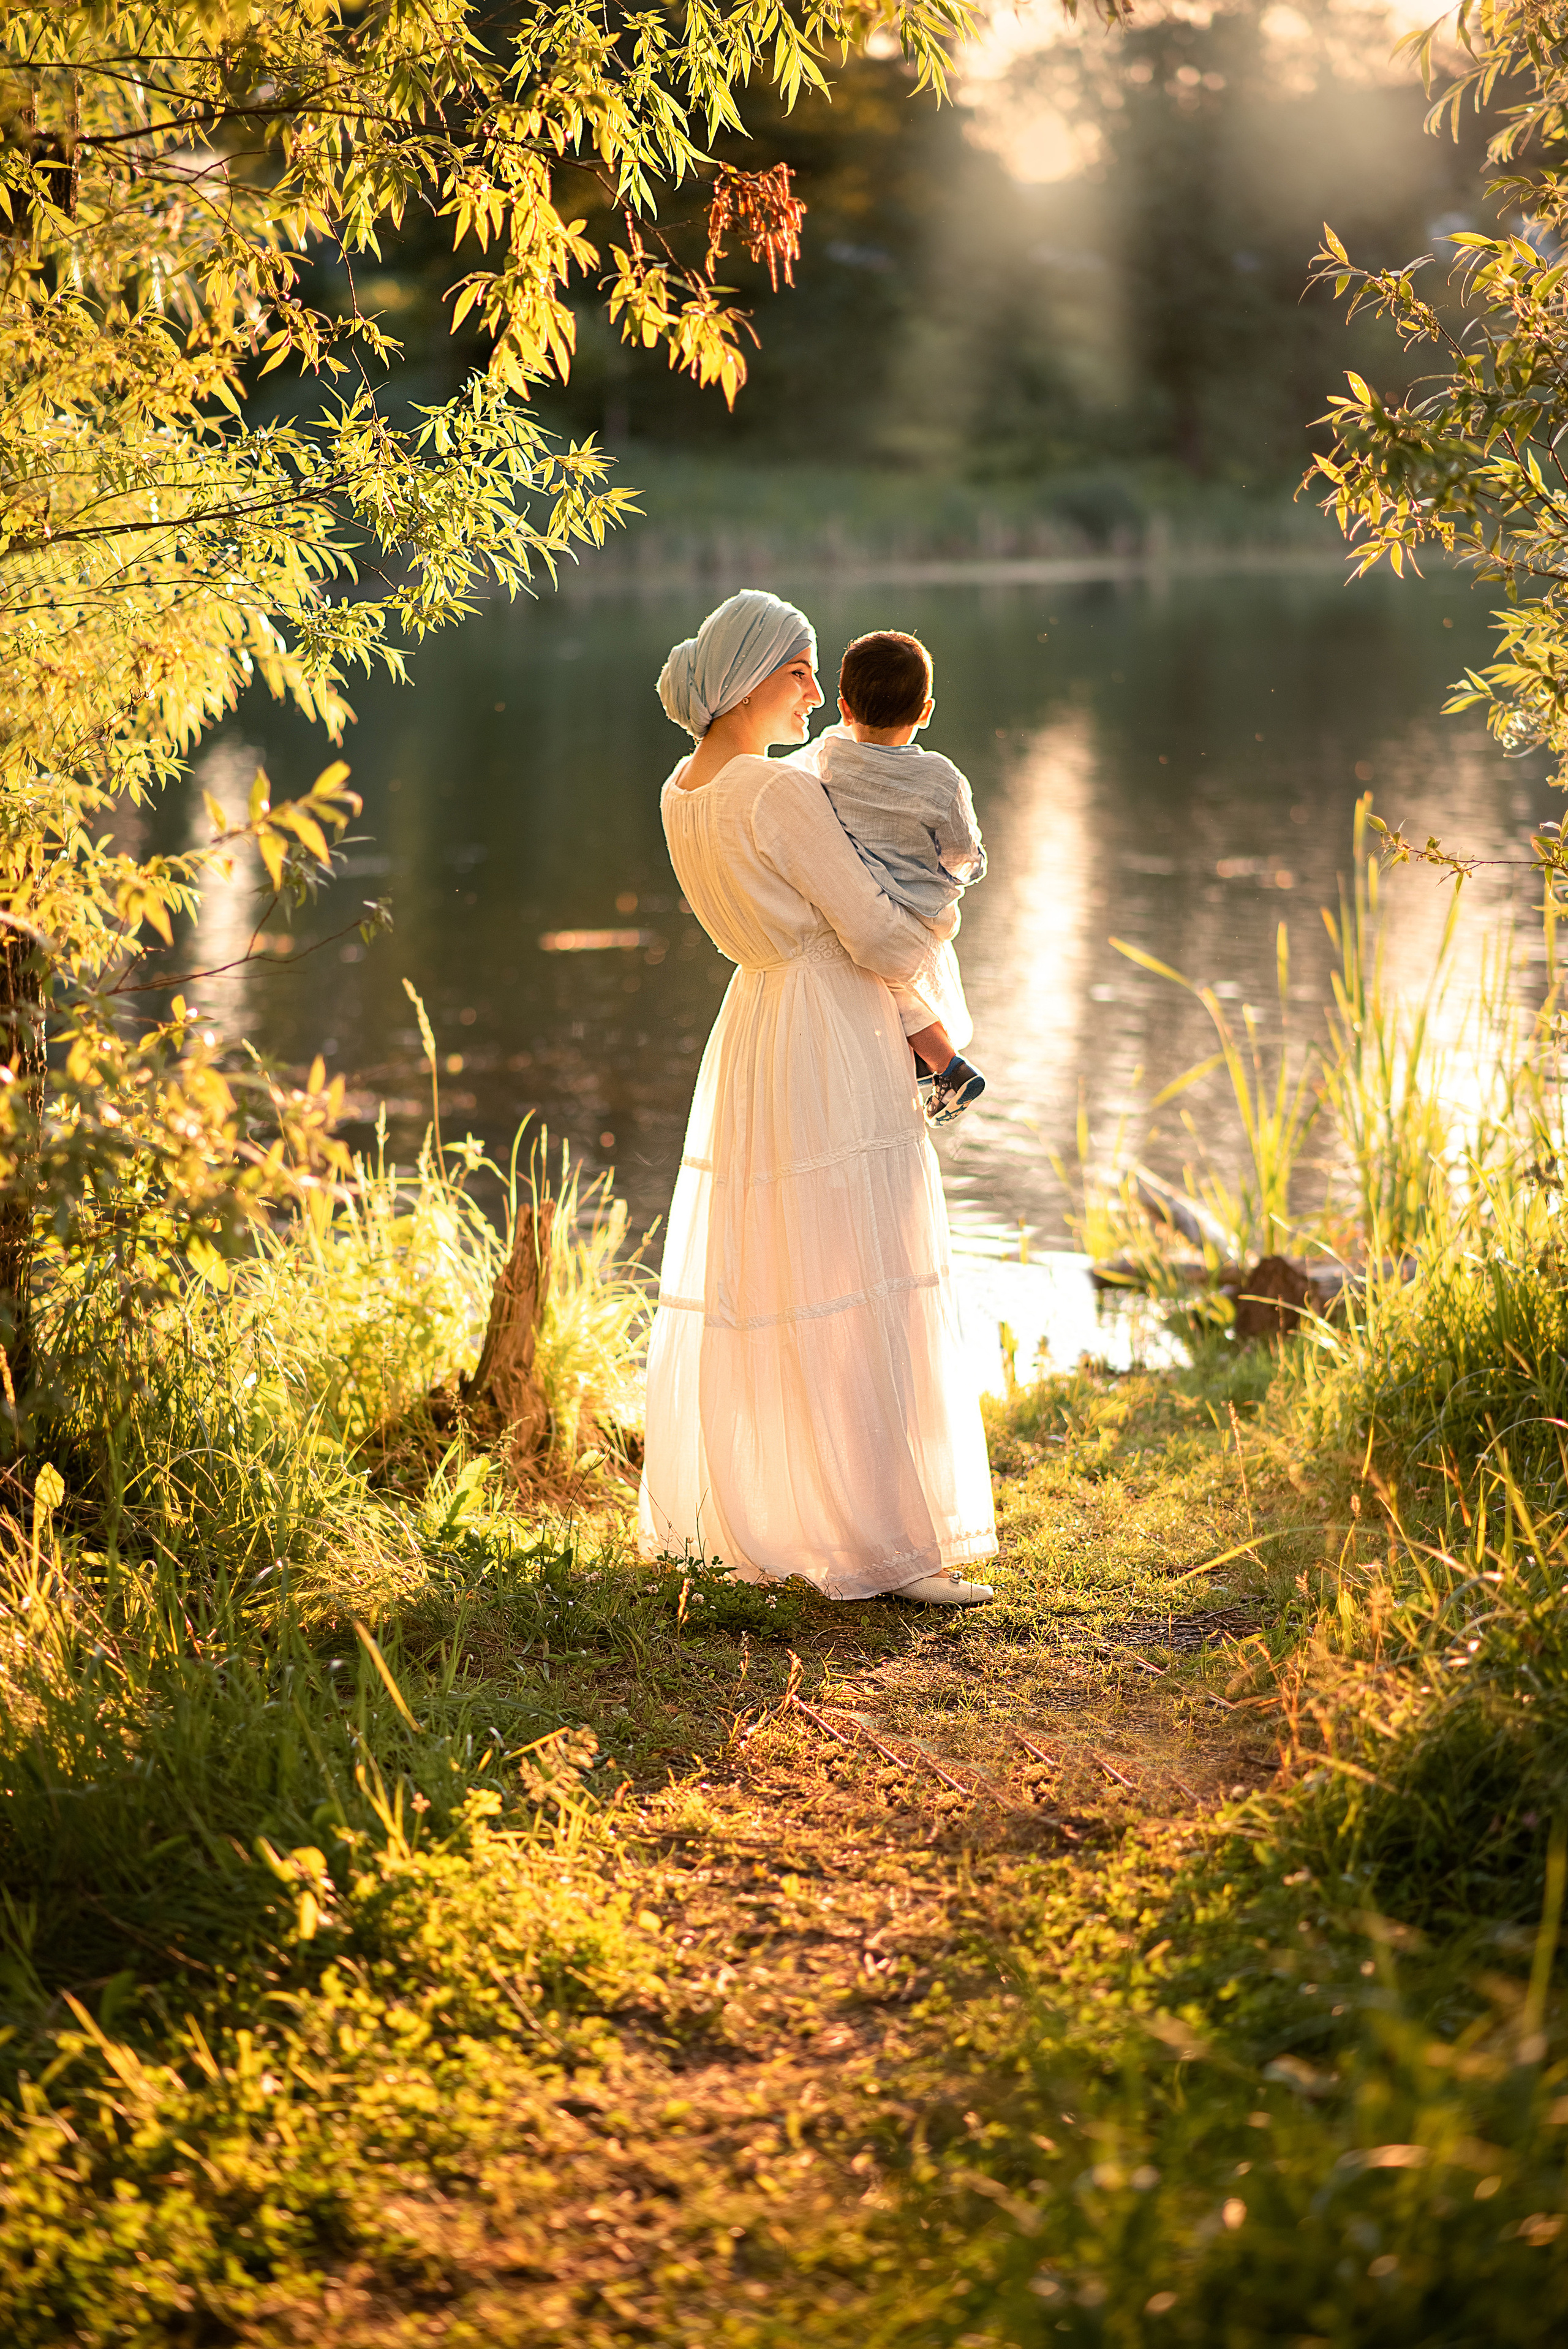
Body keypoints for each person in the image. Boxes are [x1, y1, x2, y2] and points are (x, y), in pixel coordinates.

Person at [639, 588, 997, 1606]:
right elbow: (877, 936)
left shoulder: (681, 789)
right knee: (869, 1266)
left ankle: (787, 1515)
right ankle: (894, 1547)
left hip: (758, 1026)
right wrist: (940, 917)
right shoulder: (779, 791)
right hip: (832, 1025)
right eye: (799, 668)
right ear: (753, 675)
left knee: (789, 1275)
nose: (814, 688)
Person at [797, 629, 987, 1129]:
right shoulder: (942, 777)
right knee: (897, 984)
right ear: (926, 711)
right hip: (926, 909)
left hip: (873, 906)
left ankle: (946, 1067)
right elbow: (964, 855)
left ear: (842, 706)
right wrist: (961, 872)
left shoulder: (830, 760)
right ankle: (937, 1069)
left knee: (893, 984)